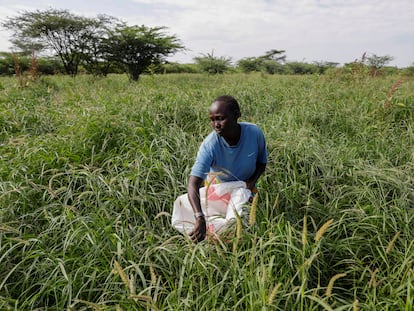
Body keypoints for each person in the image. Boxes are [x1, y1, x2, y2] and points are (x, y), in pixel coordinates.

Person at [187, 95, 268, 242]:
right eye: (212, 120)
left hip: (246, 186)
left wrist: (250, 183)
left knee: (243, 228)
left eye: (220, 118)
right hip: (218, 188)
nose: (216, 124)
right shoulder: (210, 145)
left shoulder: (254, 133)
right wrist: (199, 217)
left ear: (236, 115)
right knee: (218, 232)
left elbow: (262, 163)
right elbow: (193, 183)